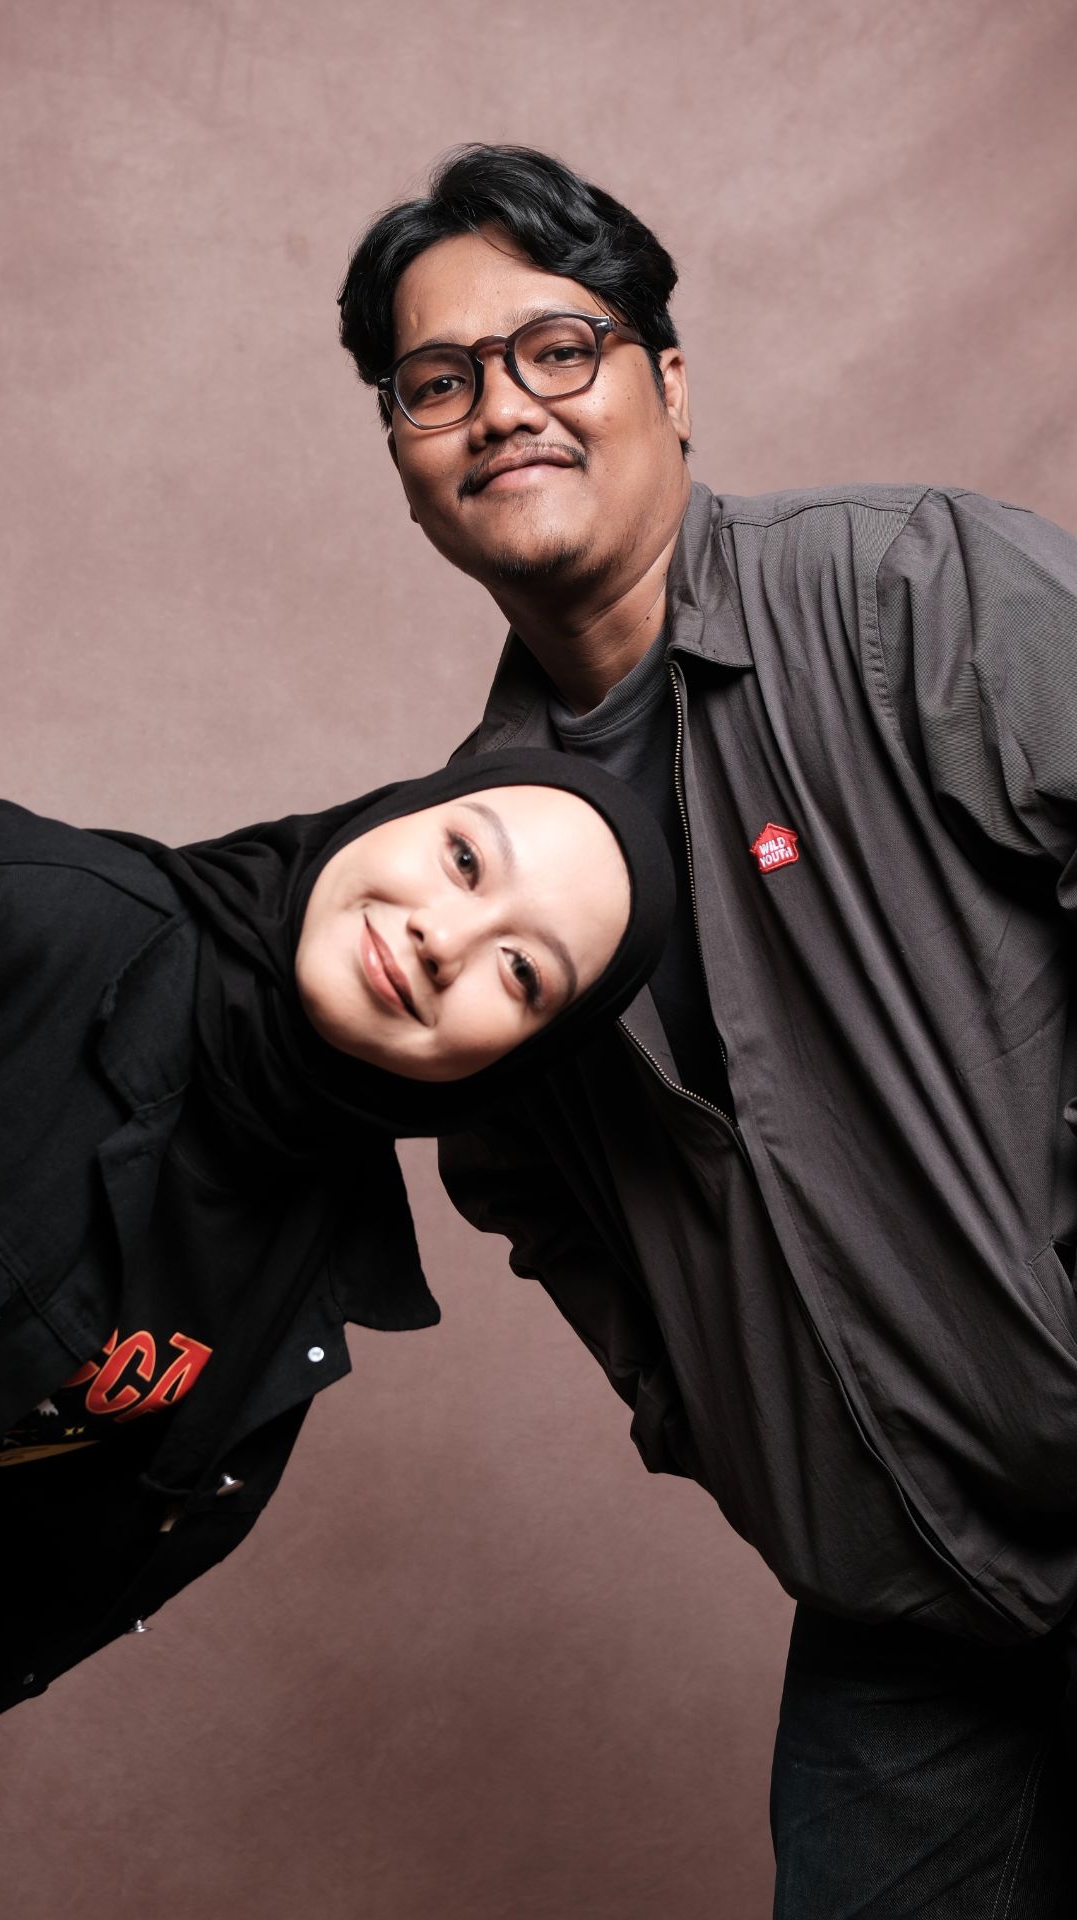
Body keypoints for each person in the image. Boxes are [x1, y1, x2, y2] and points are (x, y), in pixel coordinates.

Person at [338, 143, 1077, 1915]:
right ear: (407, 462)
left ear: (667, 380)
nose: (501, 409)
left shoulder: (915, 592)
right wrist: (733, 1436)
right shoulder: (466, 862)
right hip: (899, 1632)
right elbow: (534, 1199)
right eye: (438, 383)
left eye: (556, 349)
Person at [0, 750, 673, 1919]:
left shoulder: (311, 1257)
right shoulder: (6, 910)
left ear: (519, 1056)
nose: (443, 939)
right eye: (463, 858)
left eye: (521, 972)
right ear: (390, 818)